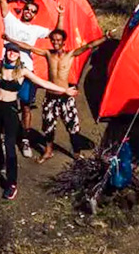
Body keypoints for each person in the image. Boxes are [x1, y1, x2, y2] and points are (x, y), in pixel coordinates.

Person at [7, 28, 114, 162]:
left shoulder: (70, 55)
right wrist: (10, 39)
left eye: (58, 40)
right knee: (48, 126)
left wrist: (105, 37)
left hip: (65, 97)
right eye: (53, 40)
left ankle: (76, 153)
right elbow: (28, 46)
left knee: (72, 127)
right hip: (50, 97)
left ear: (63, 42)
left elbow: (89, 46)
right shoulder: (47, 53)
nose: (55, 42)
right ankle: (48, 151)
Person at [0, 41, 77, 201]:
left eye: (14, 52)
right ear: (6, 52)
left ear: (18, 55)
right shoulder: (1, 65)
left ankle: (11, 183)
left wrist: (64, 89)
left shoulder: (22, 71)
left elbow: (42, 82)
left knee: (9, 146)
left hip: (9, 110)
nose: (11, 54)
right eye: (9, 51)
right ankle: (0, 164)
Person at [0, 0, 62, 158]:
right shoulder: (11, 20)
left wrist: (61, 14)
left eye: (33, 11)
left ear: (35, 14)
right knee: (7, 105)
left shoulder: (36, 30)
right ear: (23, 9)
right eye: (27, 9)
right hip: (8, 69)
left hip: (27, 71)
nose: (29, 12)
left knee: (26, 107)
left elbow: (57, 33)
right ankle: (6, 137)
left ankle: (24, 139)